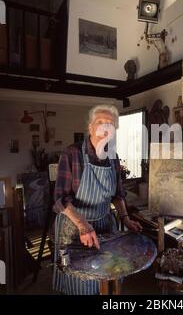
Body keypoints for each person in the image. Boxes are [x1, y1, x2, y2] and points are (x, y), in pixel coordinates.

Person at [52, 104, 142, 295]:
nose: (105, 128)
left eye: (110, 124)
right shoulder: (72, 154)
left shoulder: (113, 157)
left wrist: (125, 218)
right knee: (81, 282)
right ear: (90, 127)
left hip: (104, 223)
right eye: (100, 123)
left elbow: (118, 194)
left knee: (109, 275)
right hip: (75, 226)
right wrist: (83, 224)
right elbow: (60, 199)